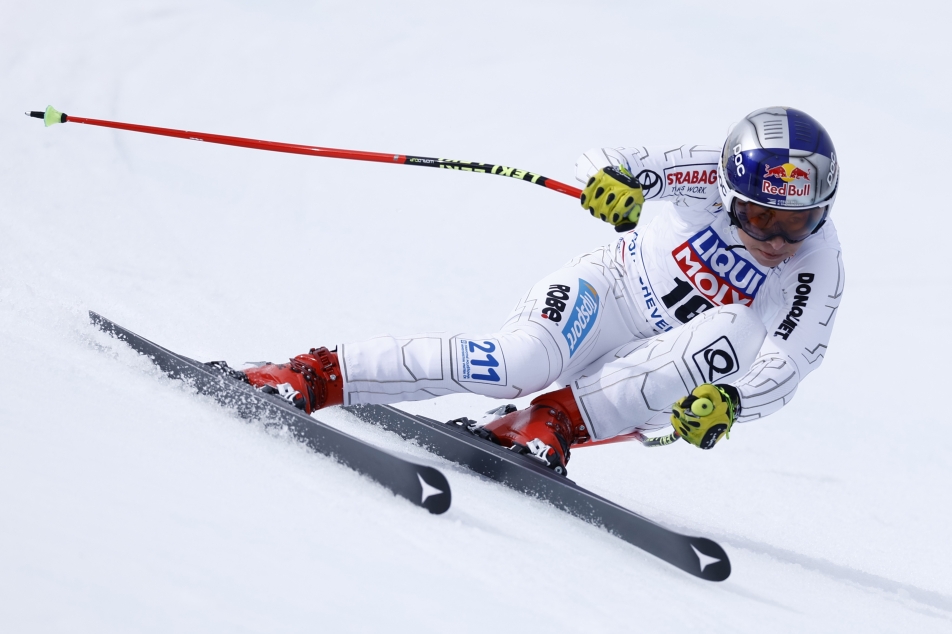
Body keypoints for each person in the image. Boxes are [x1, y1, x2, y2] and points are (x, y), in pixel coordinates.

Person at [238, 106, 844, 472]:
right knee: (512, 363)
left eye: (799, 220)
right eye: (762, 217)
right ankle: (312, 374)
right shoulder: (706, 170)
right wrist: (612, 184)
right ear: (731, 191)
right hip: (607, 293)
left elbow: (791, 362)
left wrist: (735, 404)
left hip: (657, 363)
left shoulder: (818, 264)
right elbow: (611, 158)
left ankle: (545, 424)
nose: (778, 239)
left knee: (737, 331)